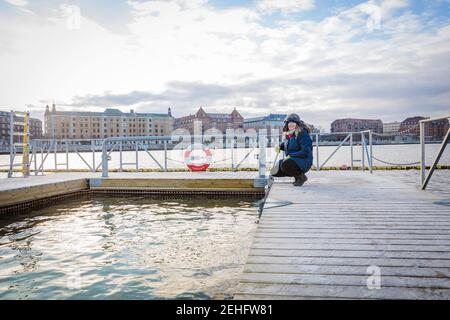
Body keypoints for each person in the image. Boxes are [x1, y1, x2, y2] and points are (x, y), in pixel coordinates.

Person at [271, 113, 313, 186]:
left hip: (304, 161)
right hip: (293, 160)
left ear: (297, 124)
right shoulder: (289, 135)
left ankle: (300, 177)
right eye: (289, 123)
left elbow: (305, 152)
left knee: (286, 163)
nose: (291, 124)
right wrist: (280, 147)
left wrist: (291, 155)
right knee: (274, 171)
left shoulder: (302, 133)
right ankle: (296, 175)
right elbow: (290, 147)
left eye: (293, 122)